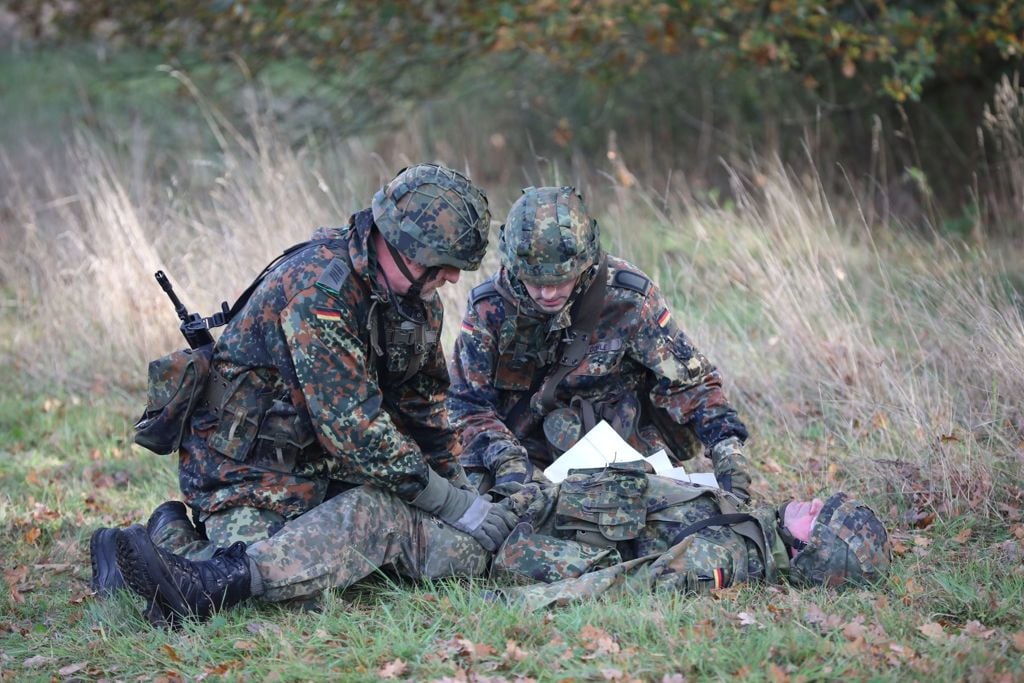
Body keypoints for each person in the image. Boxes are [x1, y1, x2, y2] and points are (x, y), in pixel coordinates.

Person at [90, 163, 519, 595]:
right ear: (403, 246)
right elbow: (355, 430)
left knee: (442, 554)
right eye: (443, 263)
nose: (453, 278)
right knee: (290, 586)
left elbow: (423, 411)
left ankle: (180, 545)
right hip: (247, 475)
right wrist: (452, 504)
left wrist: (464, 497)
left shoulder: (415, 302)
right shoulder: (317, 293)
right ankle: (170, 550)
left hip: (327, 467)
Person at [110, 466, 891, 626]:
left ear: (814, 546)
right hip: (521, 514)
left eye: (825, 514)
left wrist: (511, 600)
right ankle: (159, 541)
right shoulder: (736, 511)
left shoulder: (741, 548)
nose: (817, 499)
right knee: (343, 512)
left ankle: (204, 582)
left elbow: (638, 582)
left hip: (504, 553)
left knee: (376, 517)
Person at [448, 186, 753, 500]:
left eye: (560, 280)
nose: (548, 294)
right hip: (523, 452)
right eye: (535, 281)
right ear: (512, 266)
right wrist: (507, 461)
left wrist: (727, 450)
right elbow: (467, 404)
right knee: (482, 518)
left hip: (624, 451)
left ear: (585, 263)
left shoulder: (628, 297)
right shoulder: (490, 307)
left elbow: (691, 384)